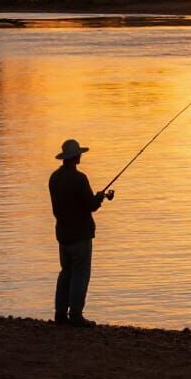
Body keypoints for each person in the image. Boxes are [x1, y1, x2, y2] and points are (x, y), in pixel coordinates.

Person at [49, 138, 113, 327]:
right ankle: (75, 315)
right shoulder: (79, 178)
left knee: (65, 272)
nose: (80, 157)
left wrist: (97, 198)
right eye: (79, 154)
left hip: (63, 234)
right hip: (80, 235)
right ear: (75, 157)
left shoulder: (54, 178)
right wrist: (100, 198)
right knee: (80, 274)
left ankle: (60, 314)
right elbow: (91, 205)